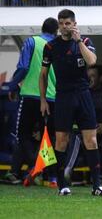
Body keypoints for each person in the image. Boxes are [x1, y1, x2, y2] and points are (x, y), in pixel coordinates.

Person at [39, 9, 102, 196]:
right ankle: (62, 185)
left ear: (74, 24)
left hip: (83, 95)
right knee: (62, 140)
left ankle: (97, 185)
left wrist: (78, 41)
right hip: (63, 97)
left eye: (67, 23)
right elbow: (43, 75)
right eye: (61, 23)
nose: (64, 27)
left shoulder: (84, 42)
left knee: (91, 140)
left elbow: (92, 61)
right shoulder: (51, 46)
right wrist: (43, 100)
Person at [0, 17, 59, 186]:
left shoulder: (32, 42)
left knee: (21, 134)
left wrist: (12, 86)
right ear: (56, 31)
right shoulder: (59, 45)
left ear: (42, 28)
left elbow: (24, 67)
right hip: (52, 97)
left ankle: (37, 165)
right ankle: (52, 176)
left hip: (31, 95)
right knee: (47, 138)